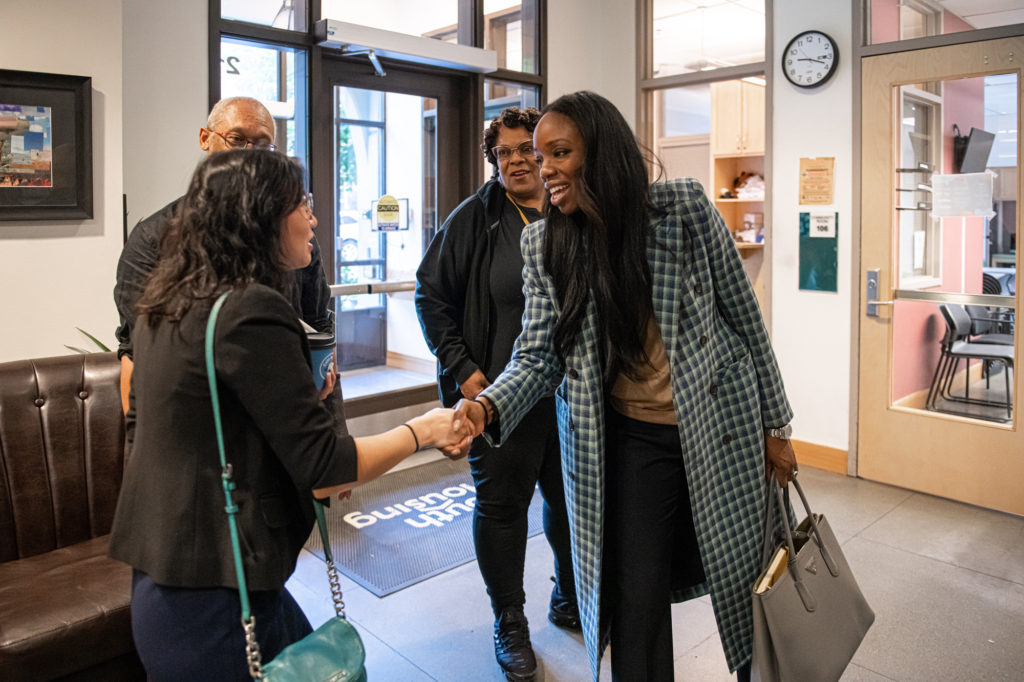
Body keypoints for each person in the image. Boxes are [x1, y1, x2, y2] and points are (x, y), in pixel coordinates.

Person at [452, 91, 798, 681]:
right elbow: (536, 355)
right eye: (541, 156)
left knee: (752, 581)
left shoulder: (683, 211)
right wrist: (486, 406)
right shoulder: (546, 244)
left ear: (602, 150)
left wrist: (776, 426)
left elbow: (744, 318)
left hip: (724, 427)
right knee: (635, 596)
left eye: (560, 152)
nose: (547, 168)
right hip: (634, 440)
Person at [108, 149, 470, 681]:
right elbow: (324, 465)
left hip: (167, 578)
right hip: (220, 597)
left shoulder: (166, 302)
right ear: (263, 216)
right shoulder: (250, 309)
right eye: (302, 204)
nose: (314, 219)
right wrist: (423, 430)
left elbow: (166, 426)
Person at [415, 106, 577, 681]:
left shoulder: (571, 208)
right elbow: (429, 296)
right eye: (503, 153)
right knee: (504, 507)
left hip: (569, 401)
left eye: (525, 149)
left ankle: (569, 592)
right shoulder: (475, 219)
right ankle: (510, 620)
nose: (515, 161)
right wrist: (463, 370)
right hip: (500, 400)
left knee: (569, 502)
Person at [113, 96, 346, 436]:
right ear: (205, 138)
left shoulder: (291, 237)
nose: (249, 154)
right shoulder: (155, 238)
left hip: (289, 427)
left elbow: (320, 333)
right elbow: (136, 354)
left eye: (263, 145)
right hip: (203, 436)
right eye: (237, 139)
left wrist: (334, 432)